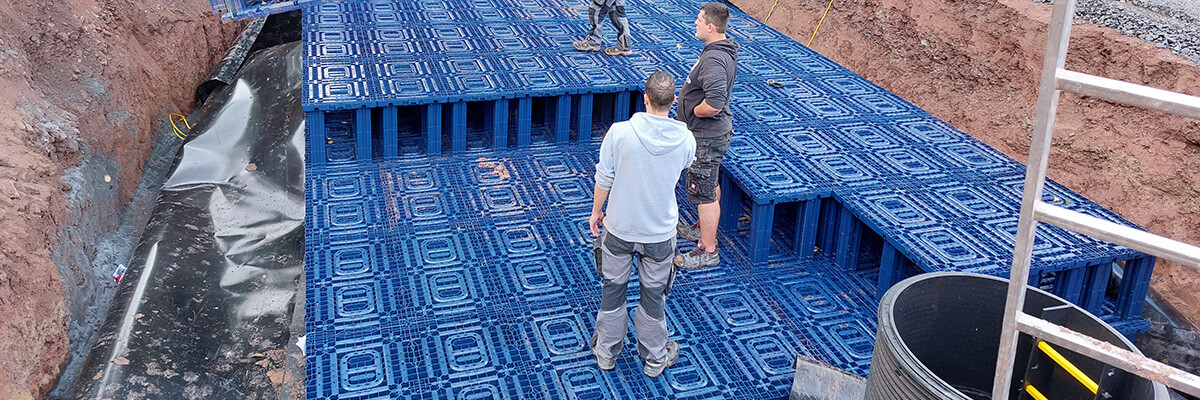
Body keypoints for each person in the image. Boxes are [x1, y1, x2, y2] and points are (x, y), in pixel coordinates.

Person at [588, 71, 696, 377]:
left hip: (620, 228)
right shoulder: (686, 139)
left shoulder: (619, 133)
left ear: (645, 98)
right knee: (653, 297)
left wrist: (597, 212)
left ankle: (606, 353)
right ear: (674, 101)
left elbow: (604, 177)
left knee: (612, 291)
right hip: (659, 234)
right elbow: (686, 165)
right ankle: (653, 359)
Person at [674, 2, 739, 270]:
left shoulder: (714, 59)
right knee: (709, 183)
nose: (695, 23)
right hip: (709, 136)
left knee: (704, 193)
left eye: (699, 20)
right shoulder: (719, 50)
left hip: (706, 136)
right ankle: (703, 229)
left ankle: (708, 249)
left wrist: (695, 112)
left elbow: (714, 103)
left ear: (711, 27)